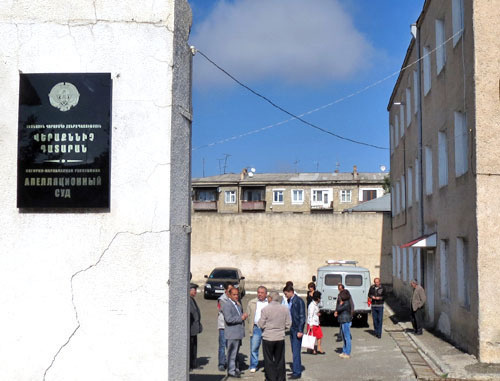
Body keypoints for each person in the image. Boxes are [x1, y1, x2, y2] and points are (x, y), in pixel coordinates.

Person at [258, 291, 291, 381]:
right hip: (280, 337)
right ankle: (280, 378)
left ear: (270, 298)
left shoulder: (265, 309)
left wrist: (267, 327)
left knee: (268, 360)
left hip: (268, 337)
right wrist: (281, 328)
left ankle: (271, 378)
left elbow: (261, 323)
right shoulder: (285, 309)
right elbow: (288, 324)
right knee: (280, 359)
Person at [222, 287, 249, 378]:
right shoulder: (227, 305)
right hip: (232, 333)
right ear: (229, 295)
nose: (236, 296)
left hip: (238, 333)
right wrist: (241, 318)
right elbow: (229, 319)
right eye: (234, 294)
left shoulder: (237, 304)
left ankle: (234, 369)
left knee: (235, 353)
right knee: (231, 353)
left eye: (237, 294)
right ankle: (231, 371)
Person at [283, 284, 305, 379]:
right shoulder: (290, 300)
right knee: (293, 350)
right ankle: (295, 369)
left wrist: (300, 330)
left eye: (286, 294)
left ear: (291, 292)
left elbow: (302, 316)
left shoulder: (298, 301)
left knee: (296, 351)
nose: (285, 296)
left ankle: (297, 372)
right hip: (292, 328)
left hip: (296, 329)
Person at [246, 286, 268, 373]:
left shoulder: (269, 303)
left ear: (266, 294)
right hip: (256, 328)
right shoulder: (252, 302)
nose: (260, 294)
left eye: (262, 293)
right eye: (258, 292)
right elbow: (248, 315)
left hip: (267, 329)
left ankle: (268, 365)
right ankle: (253, 365)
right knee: (254, 348)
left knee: (267, 348)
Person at [217, 282, 233, 371]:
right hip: (223, 326)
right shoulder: (222, 299)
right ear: (226, 290)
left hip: (231, 326)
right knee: (222, 345)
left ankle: (231, 363)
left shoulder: (233, 298)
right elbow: (226, 310)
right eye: (229, 290)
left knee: (231, 345)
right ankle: (221, 363)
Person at [335, 289, 353, 359]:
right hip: (343, 320)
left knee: (347, 337)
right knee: (344, 337)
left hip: (346, 320)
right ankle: (344, 351)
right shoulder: (345, 302)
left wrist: (340, 304)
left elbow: (338, 309)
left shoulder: (346, 303)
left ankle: (347, 352)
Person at [189, 283, 203, 370]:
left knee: (194, 347)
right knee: (190, 347)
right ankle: (189, 365)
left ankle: (193, 363)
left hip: (194, 329)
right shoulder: (188, 300)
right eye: (194, 290)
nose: (195, 292)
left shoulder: (192, 299)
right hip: (190, 329)